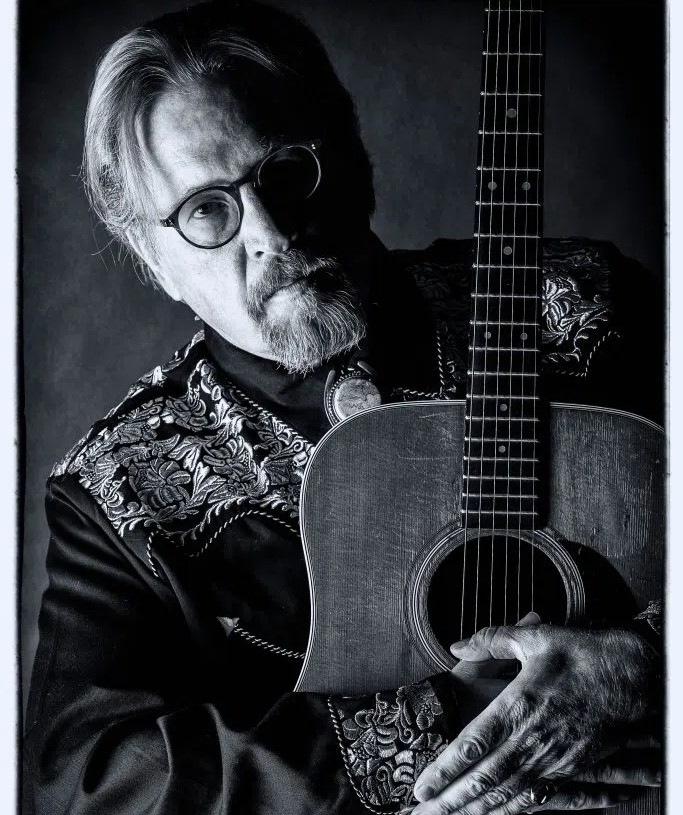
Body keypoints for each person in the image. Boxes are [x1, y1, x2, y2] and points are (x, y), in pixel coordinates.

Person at [23, 2, 663, 814]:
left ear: (353, 155)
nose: (271, 231)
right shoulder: (118, 495)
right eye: (207, 210)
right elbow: (87, 782)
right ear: (154, 258)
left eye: (286, 170)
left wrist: (650, 660)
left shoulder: (589, 308)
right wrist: (440, 717)